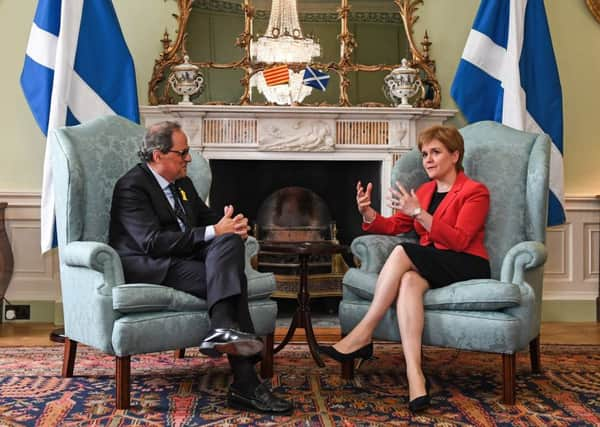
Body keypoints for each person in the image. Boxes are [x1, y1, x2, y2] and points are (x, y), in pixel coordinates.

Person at [108, 121, 292, 415]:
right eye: (182, 153)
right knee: (234, 280)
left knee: (229, 244)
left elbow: (207, 220)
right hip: (150, 265)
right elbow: (152, 242)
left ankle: (222, 332)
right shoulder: (132, 186)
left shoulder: (183, 184)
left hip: (184, 258)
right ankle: (245, 382)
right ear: (158, 155)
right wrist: (215, 231)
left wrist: (231, 225)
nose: (189, 159)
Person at [319, 125, 491, 413]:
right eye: (425, 154)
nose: (428, 159)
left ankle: (364, 332)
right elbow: (395, 226)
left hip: (467, 263)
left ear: (455, 155)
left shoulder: (475, 191)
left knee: (403, 251)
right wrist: (369, 214)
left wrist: (420, 214)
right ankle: (416, 377)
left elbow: (460, 240)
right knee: (409, 281)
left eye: (436, 152)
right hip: (434, 262)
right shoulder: (423, 191)